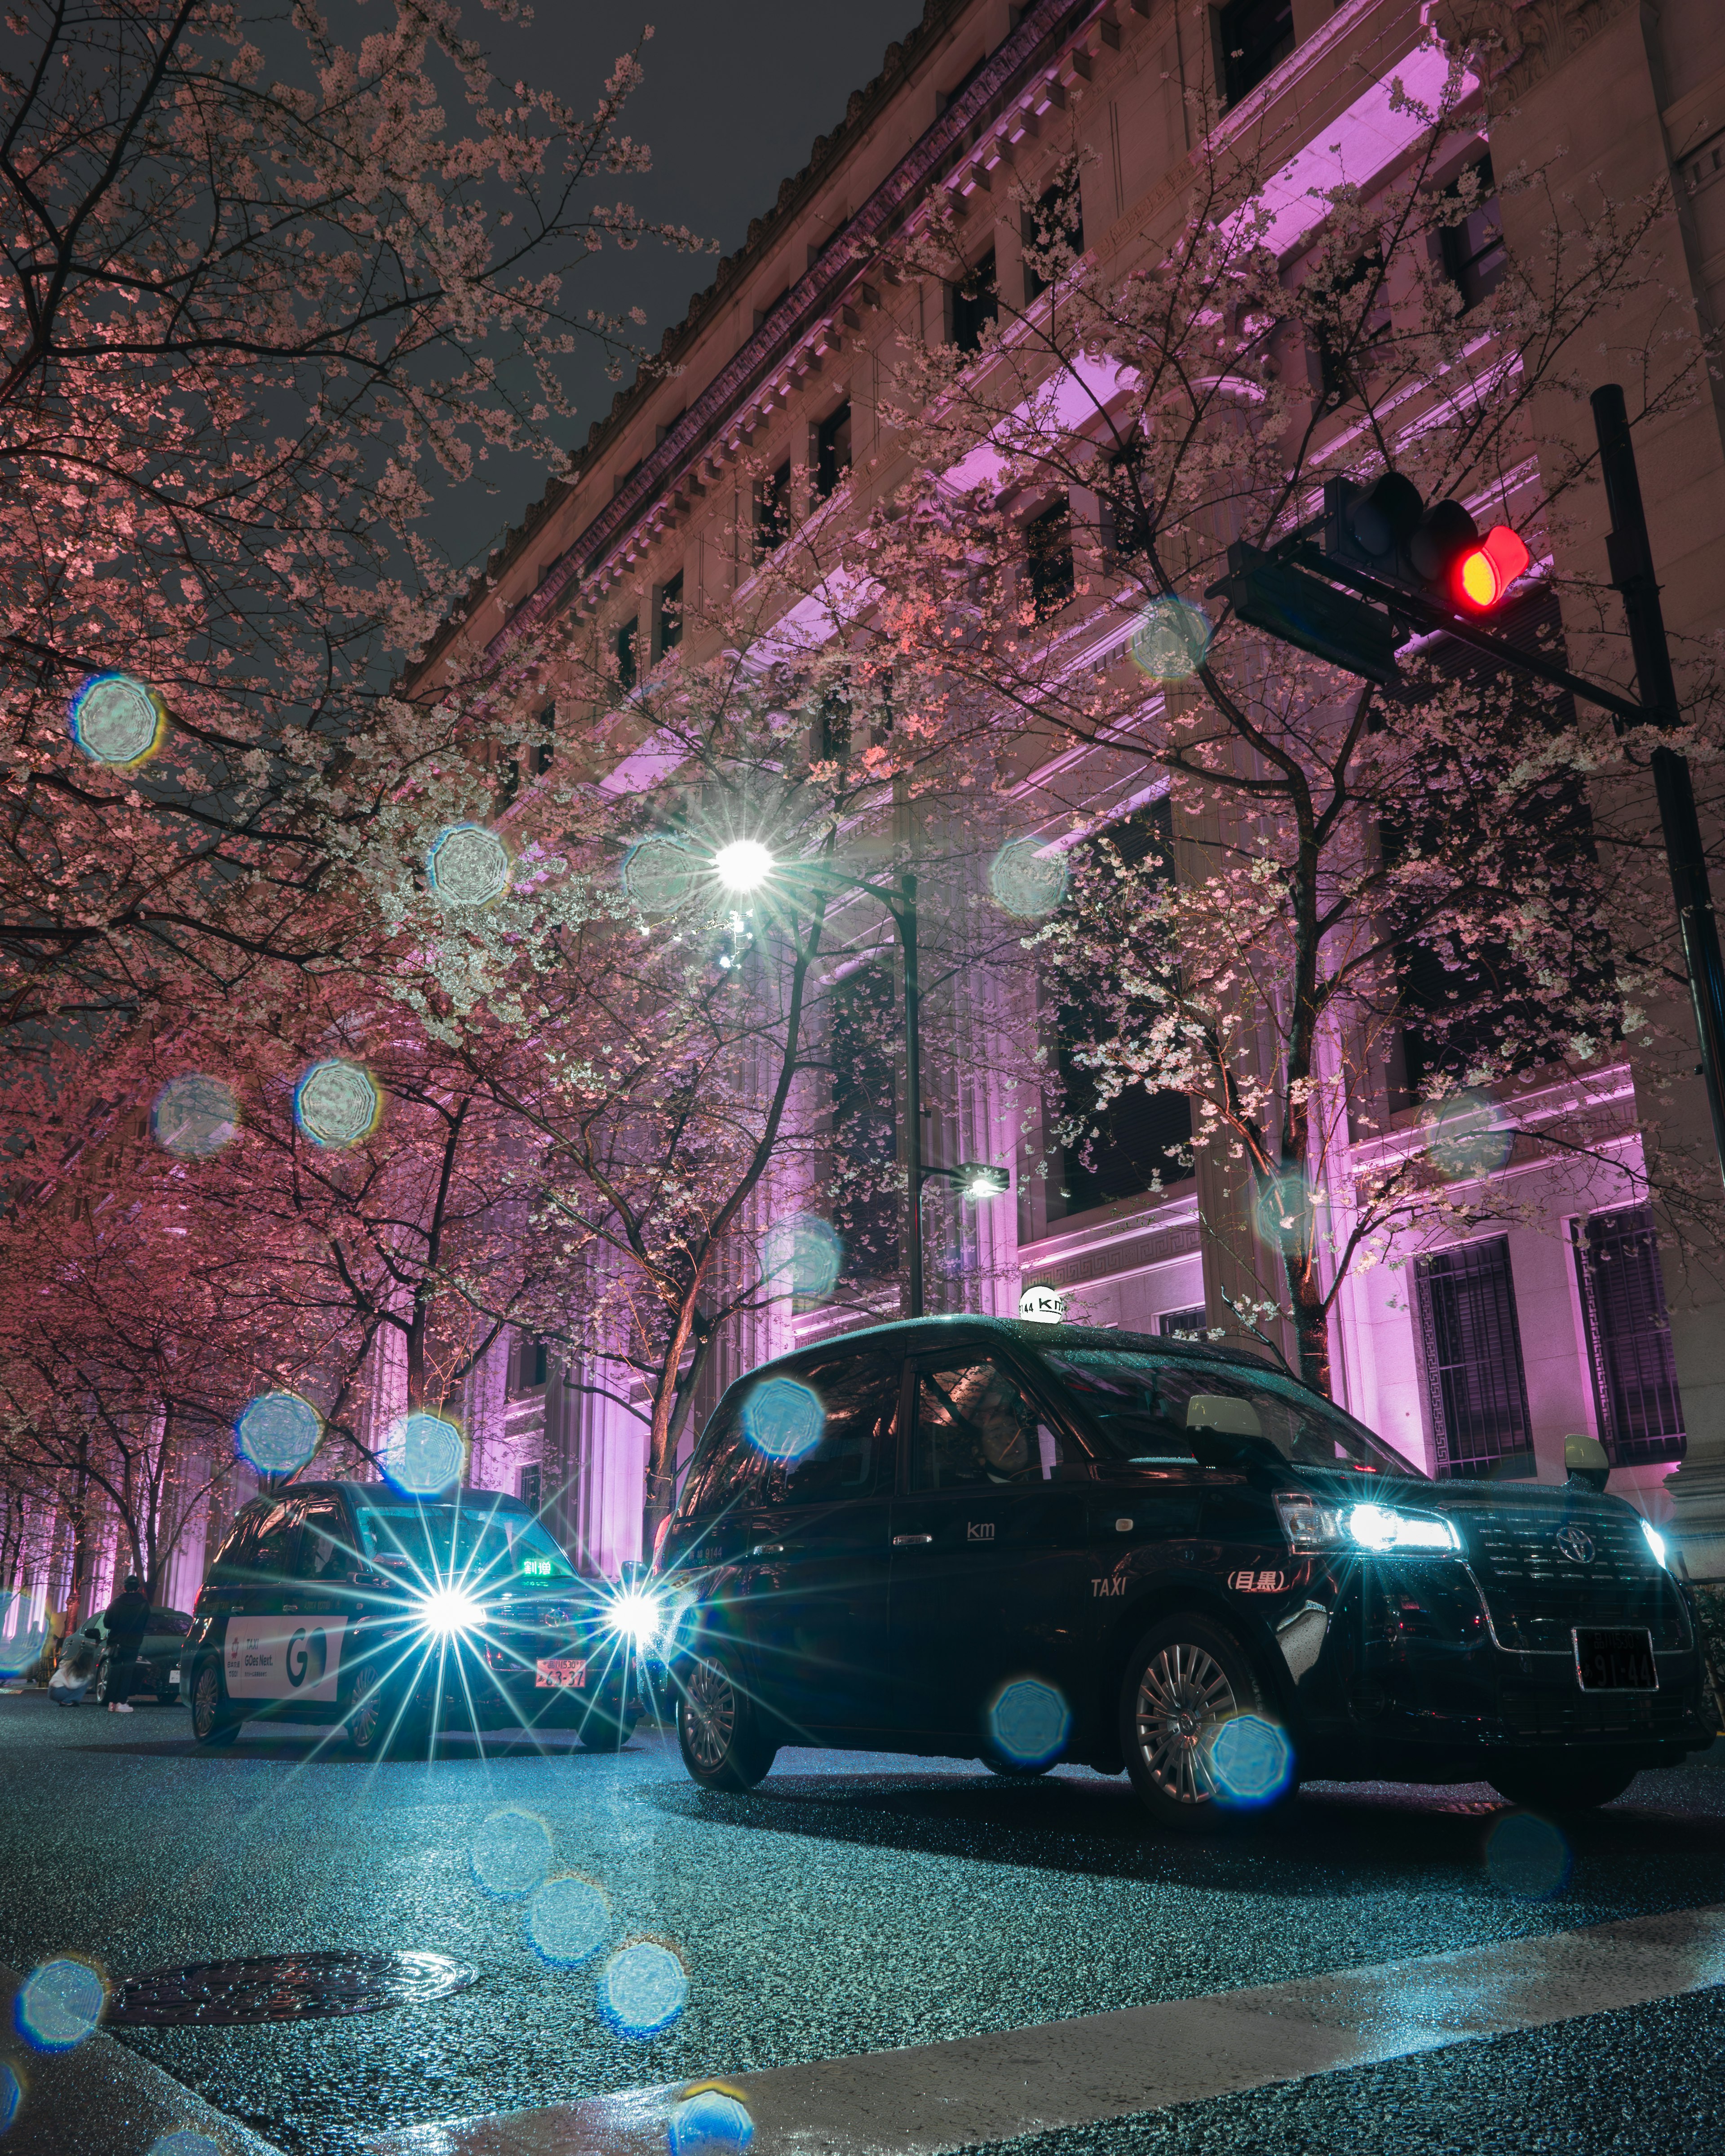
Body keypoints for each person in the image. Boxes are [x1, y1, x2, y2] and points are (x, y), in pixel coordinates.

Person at [98, 1574, 151, 1714]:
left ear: (124, 1588)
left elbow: (107, 1623)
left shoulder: (116, 1602)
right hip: (133, 1644)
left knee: (115, 1671)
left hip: (116, 1642)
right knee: (127, 1673)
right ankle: (122, 1702)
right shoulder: (144, 1604)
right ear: (139, 1588)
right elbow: (146, 1624)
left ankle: (112, 1702)